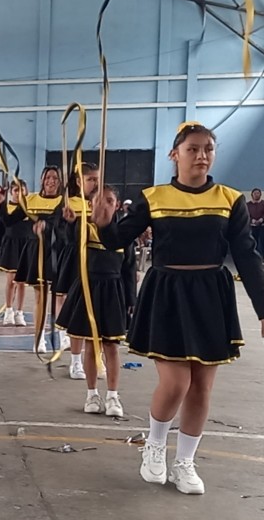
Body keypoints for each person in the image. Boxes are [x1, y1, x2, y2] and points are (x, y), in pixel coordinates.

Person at [93, 122, 264, 495]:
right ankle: (154, 446)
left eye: (208, 149)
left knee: (201, 386)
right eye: (193, 149)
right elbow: (117, 240)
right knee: (176, 383)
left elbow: (247, 256)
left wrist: (262, 307)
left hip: (211, 296)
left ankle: (185, 463)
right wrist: (104, 222)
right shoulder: (153, 198)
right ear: (175, 154)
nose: (201, 155)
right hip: (168, 294)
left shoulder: (229, 199)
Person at [56, 187, 136, 418]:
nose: (104, 205)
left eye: (109, 201)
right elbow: (69, 242)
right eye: (99, 201)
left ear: (117, 205)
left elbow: (129, 268)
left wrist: (131, 298)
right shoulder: (83, 227)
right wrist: (70, 223)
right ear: (90, 205)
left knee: (111, 346)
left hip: (114, 292)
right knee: (91, 345)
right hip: (88, 289)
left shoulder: (123, 232)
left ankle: (113, 395)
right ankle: (92, 394)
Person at [54, 164, 101, 377]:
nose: (95, 183)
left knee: (97, 311)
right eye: (90, 179)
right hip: (75, 259)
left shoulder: (103, 201)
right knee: (76, 309)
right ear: (79, 181)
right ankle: (75, 361)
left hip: (98, 261)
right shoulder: (68, 204)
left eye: (97, 178)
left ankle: (96, 359)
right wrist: (71, 223)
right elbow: (61, 235)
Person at [11, 167, 63, 353]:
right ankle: (39, 338)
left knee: (61, 296)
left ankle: (63, 336)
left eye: (55, 178)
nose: (51, 181)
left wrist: (47, 226)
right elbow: (9, 220)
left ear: (60, 181)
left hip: (58, 250)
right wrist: (1, 203)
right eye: (47, 177)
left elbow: (62, 224)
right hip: (36, 250)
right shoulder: (30, 200)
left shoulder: (65, 201)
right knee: (40, 296)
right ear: (42, 180)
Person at [0, 182, 31, 326]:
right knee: (11, 280)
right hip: (11, 245)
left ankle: (20, 312)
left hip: (26, 245)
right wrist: (0, 203)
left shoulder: (30, 207)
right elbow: (4, 225)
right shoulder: (6, 207)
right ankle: (8, 310)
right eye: (16, 190)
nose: (19, 193)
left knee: (22, 282)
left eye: (22, 190)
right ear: (11, 192)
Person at [248, 187, 264, 256]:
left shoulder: (263, 203)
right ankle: (253, 256)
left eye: (258, 193)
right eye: (255, 193)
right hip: (252, 226)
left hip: (262, 226)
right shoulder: (248, 204)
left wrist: (262, 219)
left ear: (260, 194)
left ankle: (261, 257)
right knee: (253, 241)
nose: (256, 195)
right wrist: (252, 220)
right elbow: (246, 214)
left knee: (261, 242)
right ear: (252, 194)